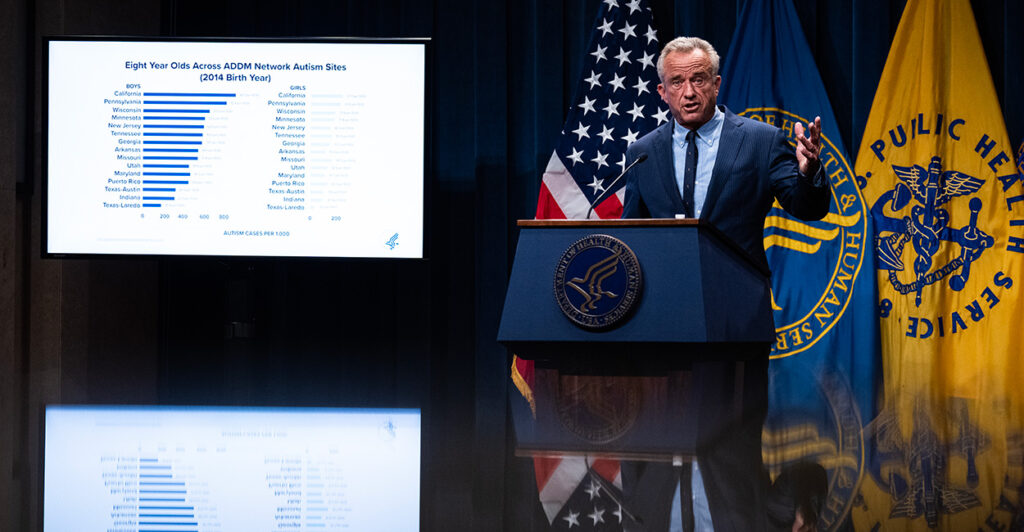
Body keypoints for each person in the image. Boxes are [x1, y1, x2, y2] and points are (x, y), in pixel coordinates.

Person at [619, 37, 831, 532]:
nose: (688, 91)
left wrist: (809, 171)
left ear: (717, 84)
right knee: (659, 445)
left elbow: (806, 205)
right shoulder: (643, 152)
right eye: (677, 82)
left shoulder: (759, 140)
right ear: (662, 91)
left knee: (733, 449)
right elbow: (632, 239)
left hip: (736, 326)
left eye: (698, 80)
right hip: (661, 332)